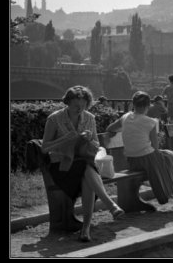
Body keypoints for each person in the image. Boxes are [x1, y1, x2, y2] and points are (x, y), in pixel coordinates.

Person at [42, 85, 125, 242]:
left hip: (82, 162)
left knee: (86, 173)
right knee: (86, 170)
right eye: (76, 106)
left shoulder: (89, 118)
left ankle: (85, 229)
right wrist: (66, 138)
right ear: (67, 102)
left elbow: (96, 145)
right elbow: (45, 148)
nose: (80, 109)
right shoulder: (54, 118)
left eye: (83, 105)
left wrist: (88, 139)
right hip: (62, 166)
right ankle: (109, 206)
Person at [106, 91, 173, 212]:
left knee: (171, 157)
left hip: (132, 161)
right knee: (172, 159)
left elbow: (110, 128)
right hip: (148, 160)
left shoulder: (125, 117)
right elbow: (155, 148)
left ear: (133, 104)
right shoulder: (150, 122)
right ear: (148, 106)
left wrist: (114, 132)